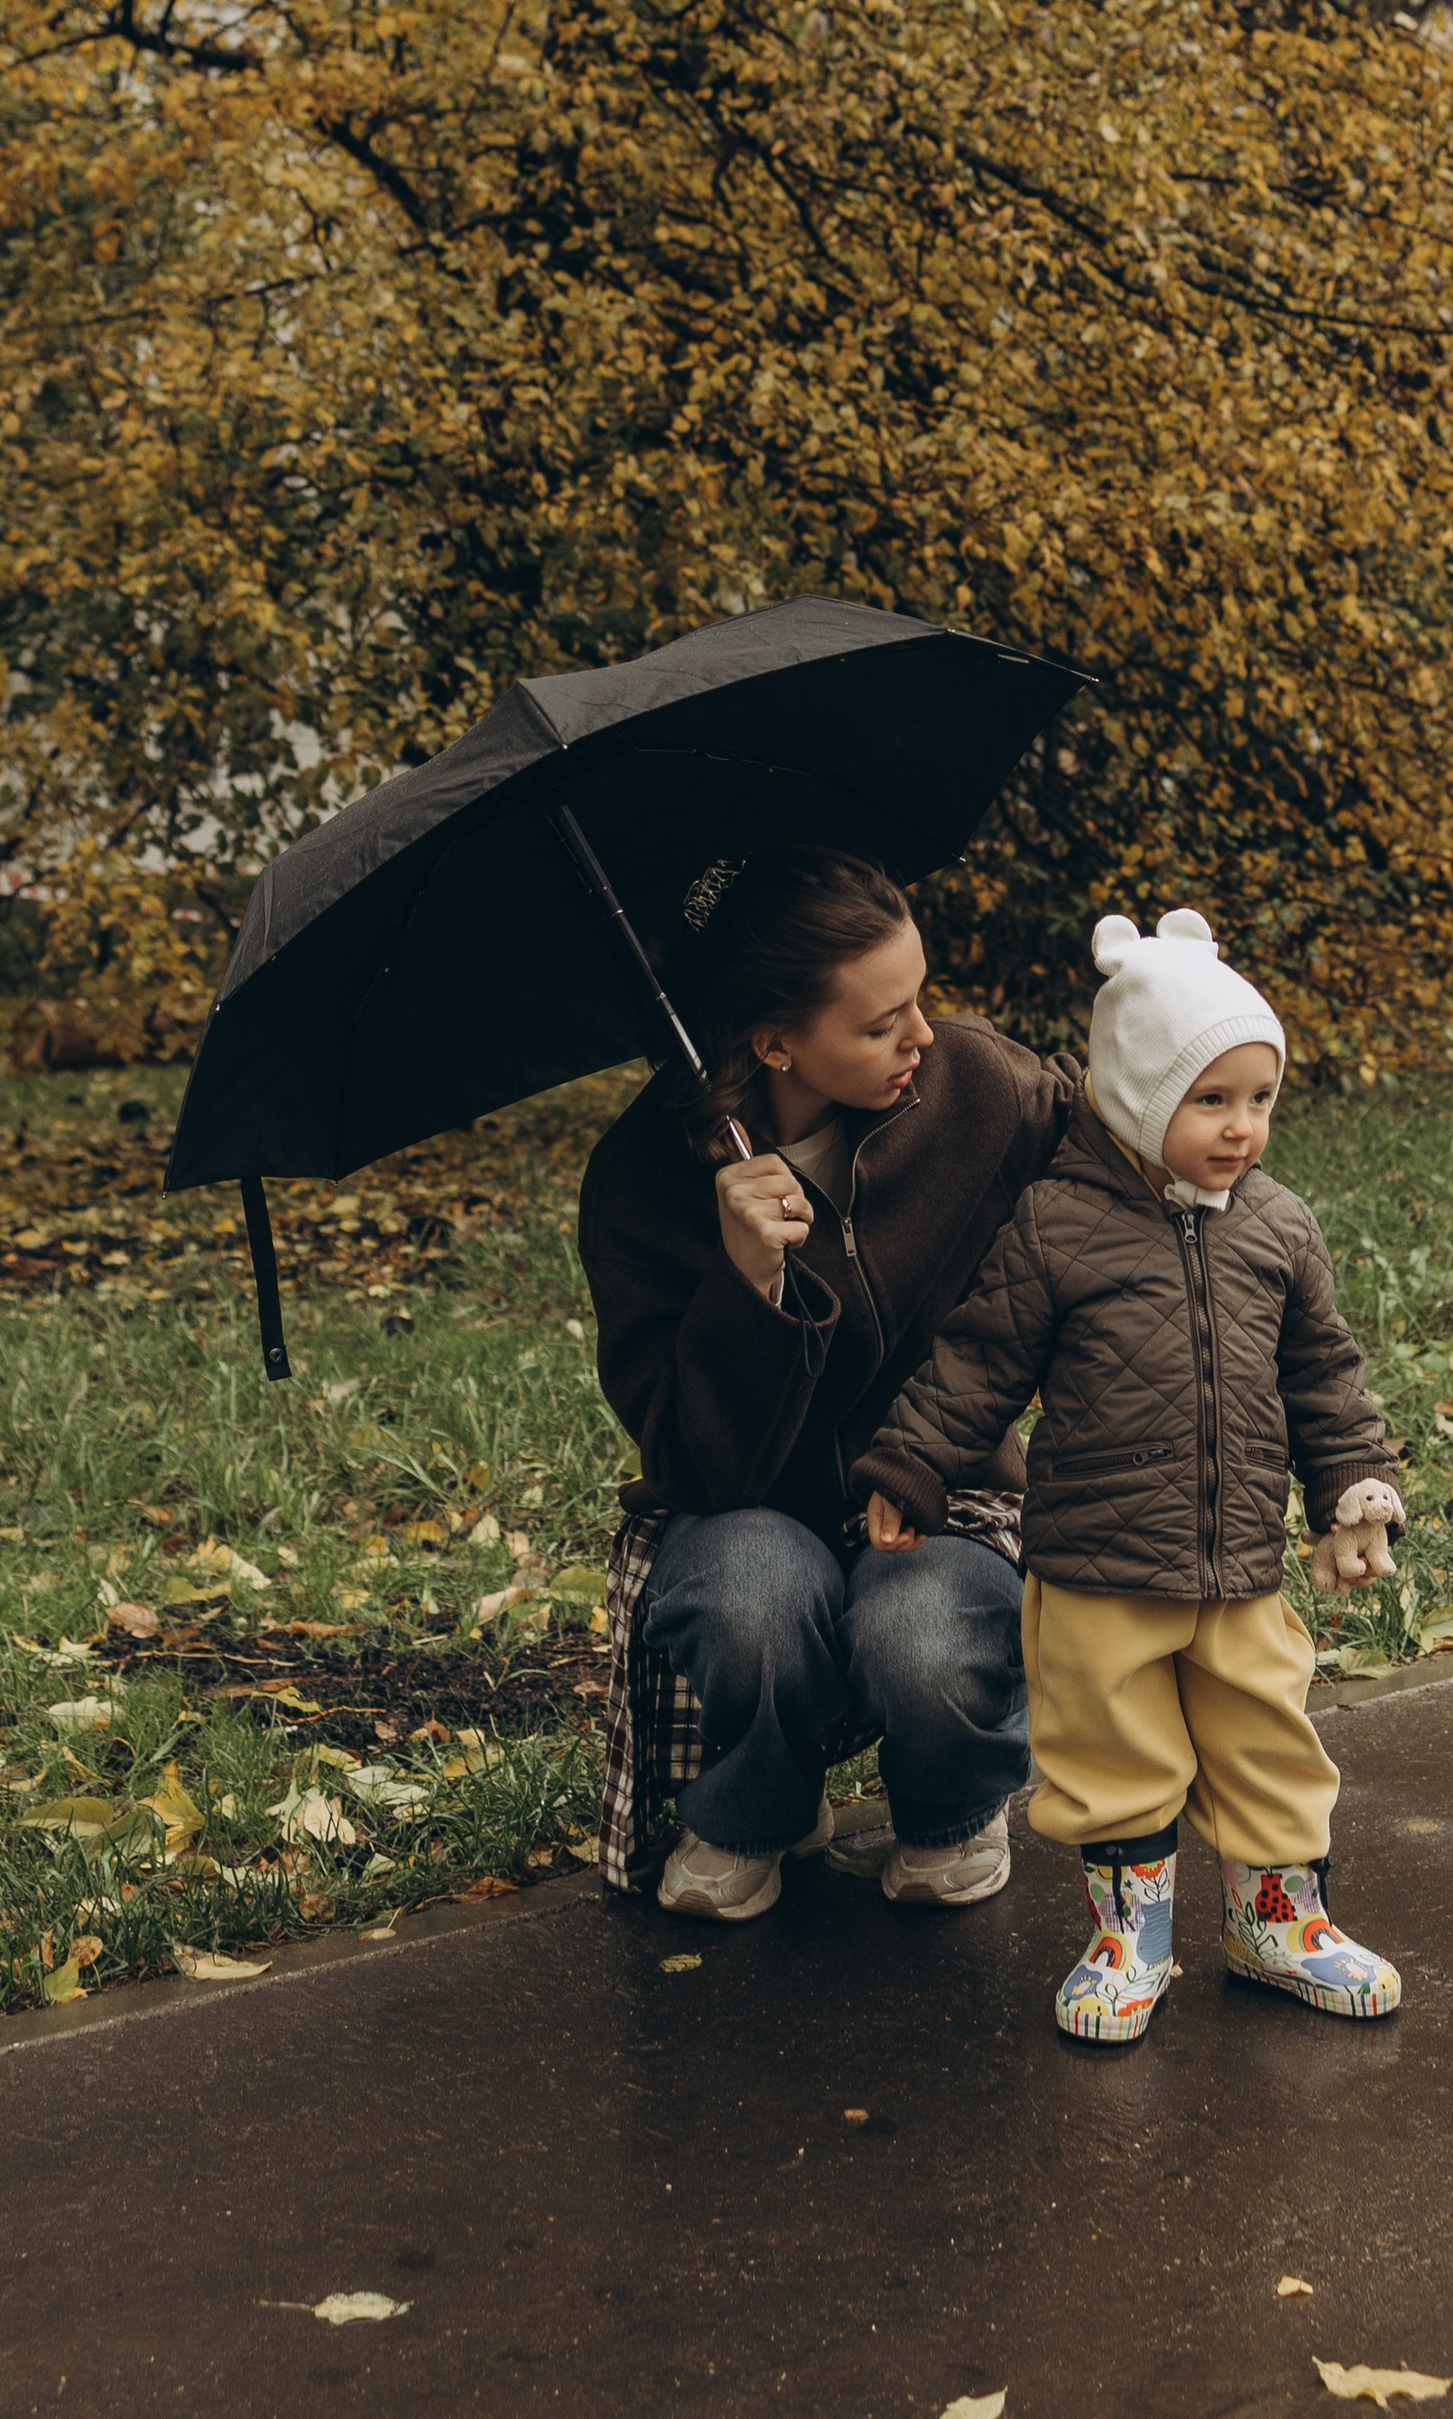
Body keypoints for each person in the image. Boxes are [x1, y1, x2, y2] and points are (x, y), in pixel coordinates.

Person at [856, 906, 1405, 2046]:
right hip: (1100, 1568)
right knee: (1114, 1755)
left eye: (1260, 1099)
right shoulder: (1056, 1228)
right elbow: (977, 1361)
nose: (1242, 1127)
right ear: (1138, 1095)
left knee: (1268, 1736)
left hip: (1239, 1564)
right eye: (1211, 1101)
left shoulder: (1279, 1230)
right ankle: (1128, 1935)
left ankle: (1278, 1922)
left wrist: (1350, 1484)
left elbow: (1323, 1374)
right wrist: (913, 1466)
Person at [578, 844, 1082, 1921]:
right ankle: (760, 1807)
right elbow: (691, 1460)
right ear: (774, 1042)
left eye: (920, 998)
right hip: (744, 1512)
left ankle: (949, 1813)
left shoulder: (978, 1088)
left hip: (945, 1497)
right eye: (877, 1022)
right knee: (753, 1598)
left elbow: (1120, 1152)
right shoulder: (641, 1183)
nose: (922, 1036)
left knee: (922, 1629)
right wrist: (745, 1282)